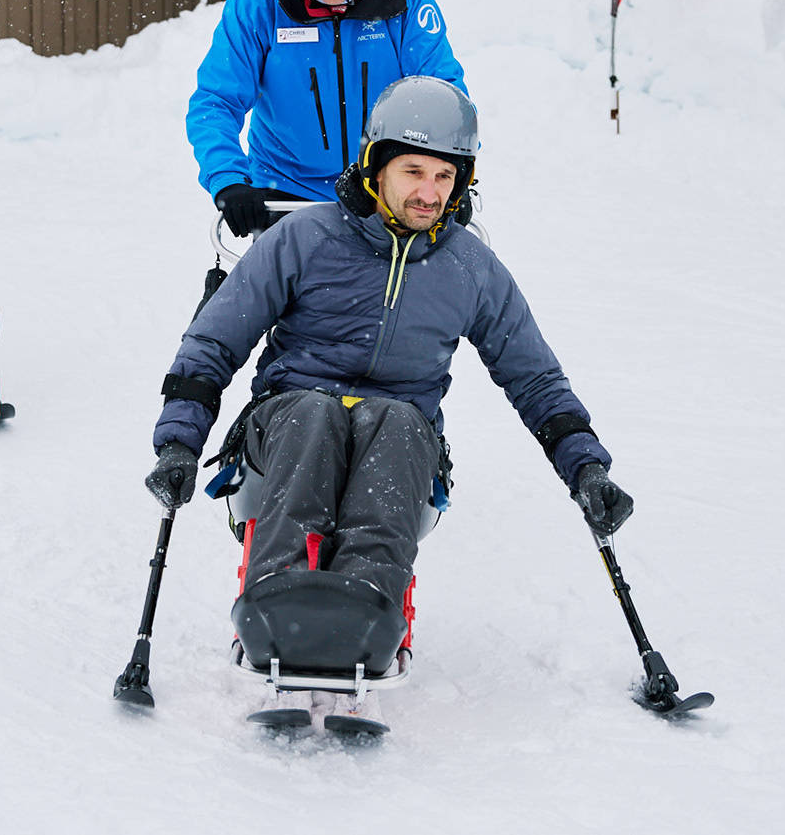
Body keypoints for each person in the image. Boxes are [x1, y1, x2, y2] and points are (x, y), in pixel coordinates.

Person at [144, 77, 632, 728]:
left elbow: (536, 378)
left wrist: (586, 465)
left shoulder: (470, 268)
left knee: (399, 421)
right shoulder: (305, 238)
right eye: (413, 171)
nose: (430, 191)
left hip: (399, 444)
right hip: (286, 423)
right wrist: (179, 441)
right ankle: (277, 617)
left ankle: (365, 621)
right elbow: (213, 340)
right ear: (375, 165)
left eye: (444, 176)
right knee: (315, 412)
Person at [187, 0, 469, 238]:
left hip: (381, 190)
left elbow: (443, 94)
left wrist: (452, 168)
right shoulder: (258, 3)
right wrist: (228, 179)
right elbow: (215, 101)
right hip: (285, 191)